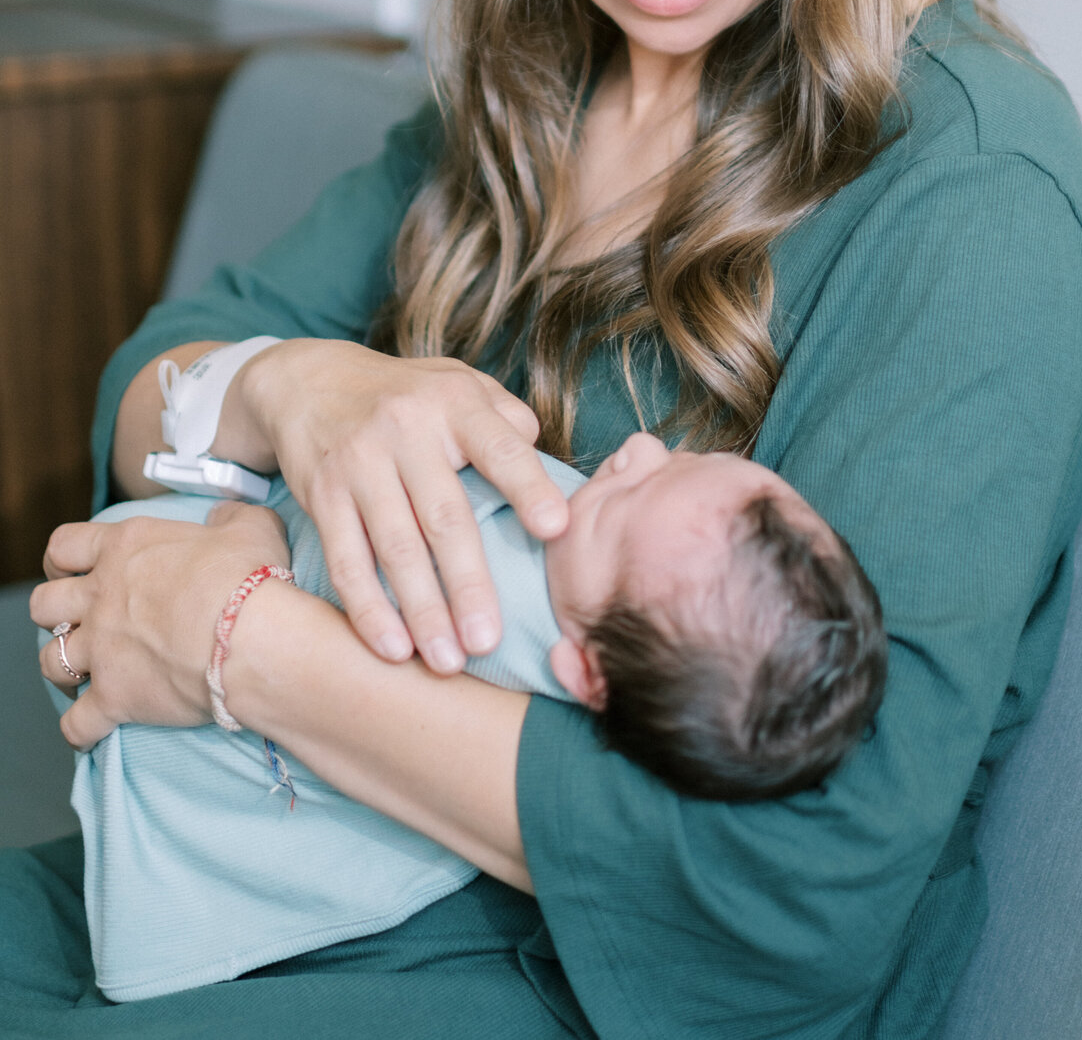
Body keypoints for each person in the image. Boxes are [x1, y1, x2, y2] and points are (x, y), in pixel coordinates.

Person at [7, 0, 1082, 1040]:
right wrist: (294, 394)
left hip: (581, 985)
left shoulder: (973, 192)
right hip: (317, 889)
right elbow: (144, 382)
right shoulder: (540, 84)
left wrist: (245, 646)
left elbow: (796, 893)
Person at [52, 429, 885, 1002]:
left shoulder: (474, 615)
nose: (636, 450)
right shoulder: (614, 589)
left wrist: (250, 528)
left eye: (630, 495)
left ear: (584, 670)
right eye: (682, 457)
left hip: (175, 754)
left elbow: (314, 580)